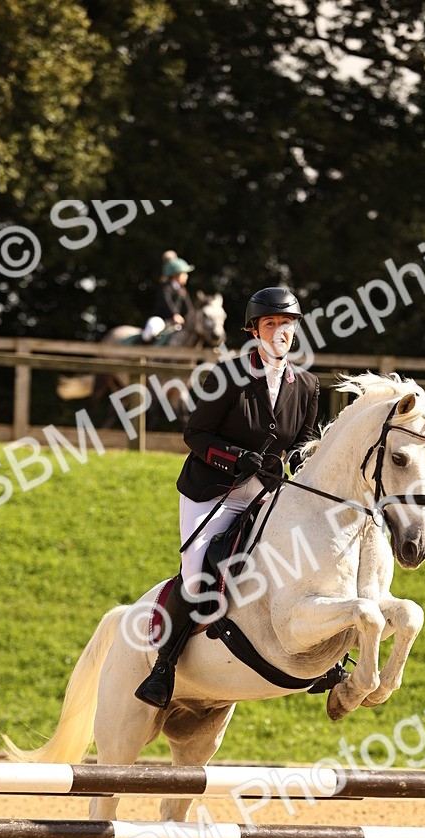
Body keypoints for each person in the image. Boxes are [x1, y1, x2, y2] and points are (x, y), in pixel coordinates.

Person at [135, 286, 320, 708]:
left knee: (301, 558)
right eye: (270, 324)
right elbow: (195, 434)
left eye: (286, 324)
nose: (279, 332)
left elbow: (304, 442)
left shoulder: (307, 385)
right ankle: (163, 667)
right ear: (254, 330)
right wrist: (235, 458)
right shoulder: (227, 376)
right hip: (214, 491)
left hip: (265, 495)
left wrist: (292, 462)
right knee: (197, 578)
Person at [152, 251, 195, 329]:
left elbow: (189, 308)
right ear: (176, 275)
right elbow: (166, 301)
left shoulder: (182, 290)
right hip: (161, 320)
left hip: (176, 322)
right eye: (184, 273)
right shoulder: (165, 287)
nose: (186, 276)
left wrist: (193, 317)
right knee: (152, 329)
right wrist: (174, 314)